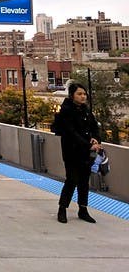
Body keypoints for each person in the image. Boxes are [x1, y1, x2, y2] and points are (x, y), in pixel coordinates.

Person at [56, 82, 101, 223]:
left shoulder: (86, 110)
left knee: (84, 181)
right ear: (72, 95)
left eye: (84, 94)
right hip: (72, 151)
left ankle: (83, 209)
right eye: (79, 94)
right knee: (72, 180)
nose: (83, 97)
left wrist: (96, 139)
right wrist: (89, 144)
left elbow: (95, 126)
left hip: (86, 152)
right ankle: (62, 209)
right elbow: (71, 133)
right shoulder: (66, 111)